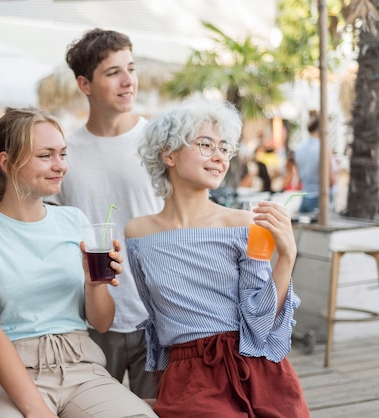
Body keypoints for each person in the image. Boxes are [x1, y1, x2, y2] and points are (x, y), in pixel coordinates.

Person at [0, 107, 157, 418]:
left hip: (81, 366)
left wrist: (94, 285)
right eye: (46, 155)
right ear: (6, 162)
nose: (60, 166)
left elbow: (101, 322)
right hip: (6, 372)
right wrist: (38, 411)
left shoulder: (74, 220)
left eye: (63, 154)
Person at [125, 99, 310, 417]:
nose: (219, 157)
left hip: (256, 368)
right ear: (168, 154)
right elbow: (158, 319)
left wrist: (287, 256)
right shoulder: (138, 234)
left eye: (224, 148)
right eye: (205, 144)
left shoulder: (242, 224)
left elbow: (260, 321)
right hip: (189, 376)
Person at [47, 27, 163, 399]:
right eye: (113, 72)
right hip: (91, 320)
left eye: (131, 68)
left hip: (157, 315)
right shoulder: (64, 153)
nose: (129, 81)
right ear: (85, 84)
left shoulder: (159, 144)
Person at [294, 111, 334, 213]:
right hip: (320, 199)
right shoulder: (324, 149)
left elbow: (298, 177)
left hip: (304, 197)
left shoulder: (299, 148)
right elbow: (330, 179)